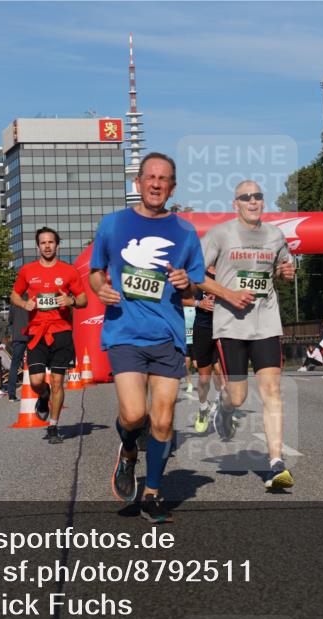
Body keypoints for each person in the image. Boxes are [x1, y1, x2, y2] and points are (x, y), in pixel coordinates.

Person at [89, 152, 204, 523]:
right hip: (124, 330)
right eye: (150, 177)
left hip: (167, 335)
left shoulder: (185, 232)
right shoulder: (113, 224)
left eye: (164, 178)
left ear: (172, 187)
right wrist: (100, 290)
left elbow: (194, 290)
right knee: (135, 414)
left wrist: (187, 284)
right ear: (138, 183)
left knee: (164, 420)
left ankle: (153, 492)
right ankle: (127, 453)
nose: (156, 184)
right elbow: (95, 272)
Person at [200, 180, 296, 490]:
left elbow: (283, 270)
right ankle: (224, 408)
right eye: (246, 197)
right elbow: (194, 273)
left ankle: (276, 463)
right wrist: (227, 293)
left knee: (272, 391)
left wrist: (285, 273)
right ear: (235, 204)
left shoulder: (275, 235)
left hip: (266, 322)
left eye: (258, 196)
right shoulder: (220, 234)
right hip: (231, 325)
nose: (253, 201)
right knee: (238, 396)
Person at [10, 227, 87, 445]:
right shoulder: (27, 270)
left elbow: (83, 300)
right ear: (38, 247)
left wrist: (71, 301)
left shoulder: (69, 271)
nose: (47, 246)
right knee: (36, 382)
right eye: (43, 243)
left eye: (50, 242)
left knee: (57, 381)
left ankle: (53, 425)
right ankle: (43, 398)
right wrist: (25, 303)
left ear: (57, 245)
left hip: (61, 332)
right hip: (37, 332)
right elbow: (14, 294)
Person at [190, 267, 225, 433]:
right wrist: (199, 303)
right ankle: (203, 408)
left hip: (224, 328)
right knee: (204, 378)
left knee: (221, 371)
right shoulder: (199, 274)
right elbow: (180, 298)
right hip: (203, 328)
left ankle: (219, 406)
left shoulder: (228, 271)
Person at [5, 298, 30, 402]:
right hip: (31, 334)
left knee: (14, 365)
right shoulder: (32, 298)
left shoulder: (15, 302)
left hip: (18, 336)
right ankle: (39, 391)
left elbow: (10, 319)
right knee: (35, 362)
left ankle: (11, 394)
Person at [182, 303, 196, 393]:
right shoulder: (181, 308)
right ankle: (189, 384)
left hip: (196, 341)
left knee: (196, 365)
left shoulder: (196, 308)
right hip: (186, 341)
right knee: (186, 363)